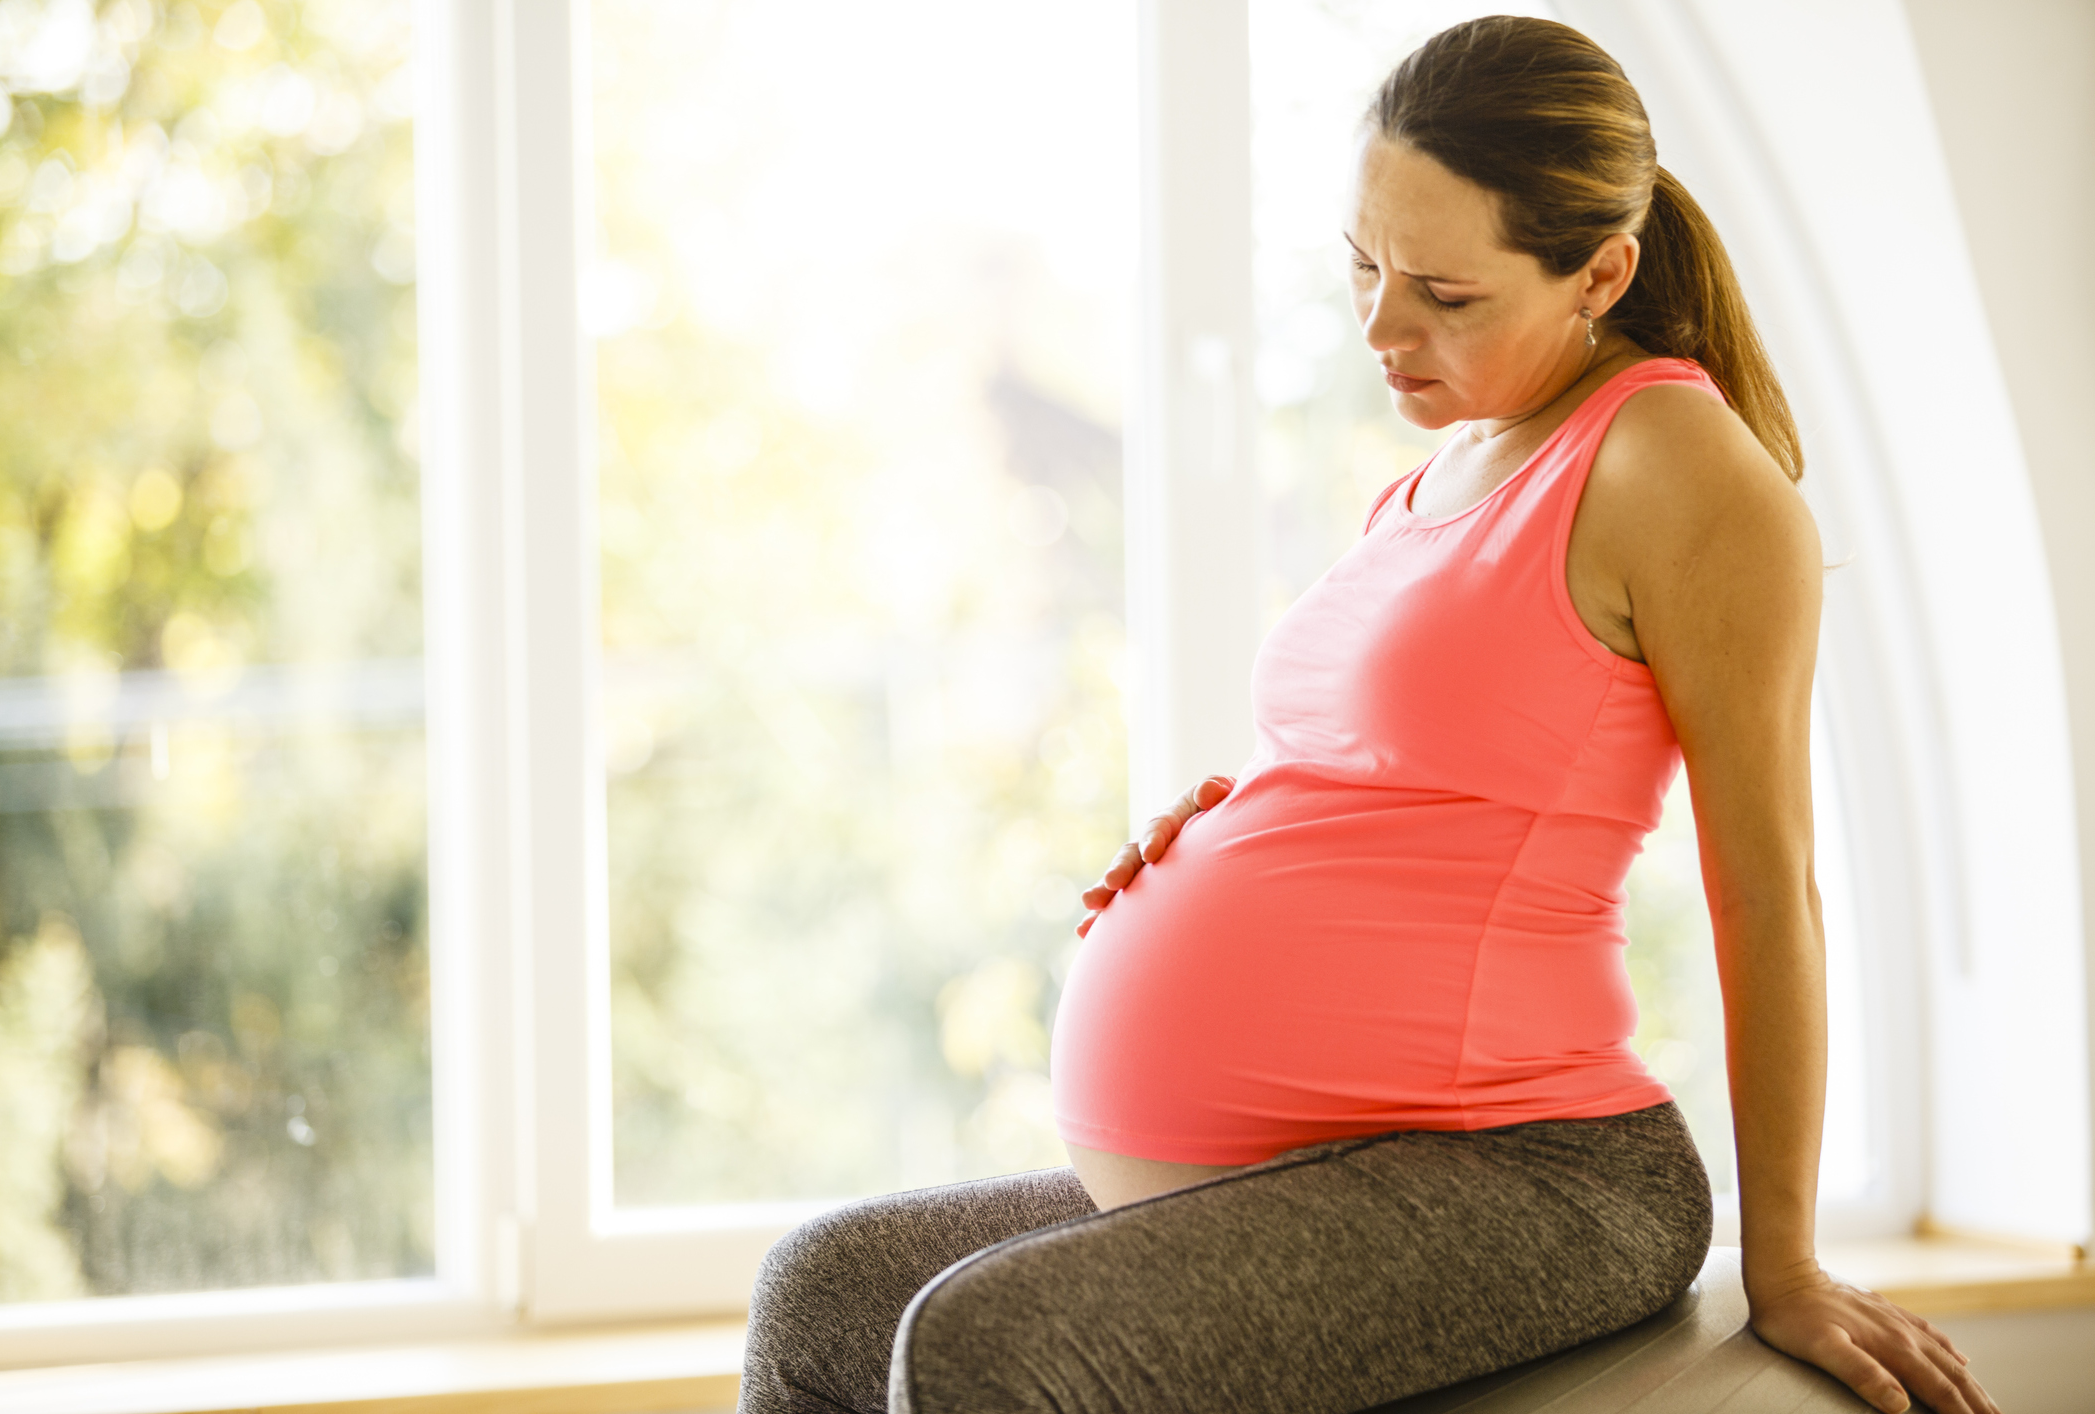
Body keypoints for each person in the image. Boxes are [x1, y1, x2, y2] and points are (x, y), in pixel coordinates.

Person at [739, 17, 1998, 1414]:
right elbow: (1436, 763)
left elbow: (1768, 890)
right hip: (1336, 1142)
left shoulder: (1672, 466)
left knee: (984, 1348)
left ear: (1601, 271)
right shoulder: (1446, 464)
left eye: (1445, 294)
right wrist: (1235, 830)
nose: (1381, 327)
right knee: (824, 1290)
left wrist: (1787, 1267)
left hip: (1534, 1168)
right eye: (1362, 265)